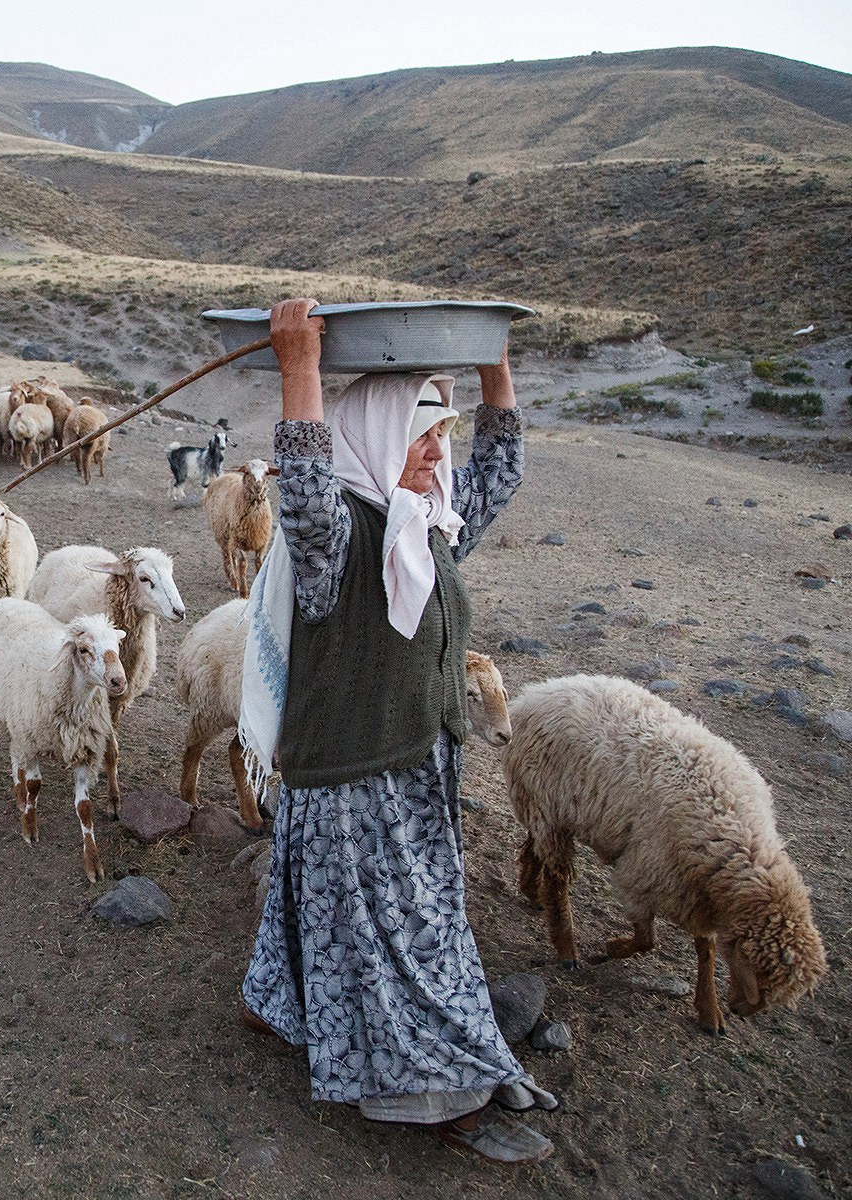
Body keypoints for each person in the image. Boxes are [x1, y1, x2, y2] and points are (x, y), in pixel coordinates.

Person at [238, 298, 556, 1164]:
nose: (436, 451)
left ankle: (282, 1006)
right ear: (374, 437)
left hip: (414, 757)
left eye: (442, 434)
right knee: (400, 932)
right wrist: (298, 360)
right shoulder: (339, 536)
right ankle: (428, 1087)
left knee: (355, 915)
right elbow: (300, 487)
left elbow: (501, 465)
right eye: (422, 433)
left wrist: (493, 362)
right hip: (354, 773)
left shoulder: (431, 524)